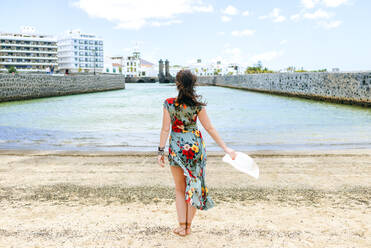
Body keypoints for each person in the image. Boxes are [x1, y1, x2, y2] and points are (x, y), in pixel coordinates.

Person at [158, 69, 237, 237]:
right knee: (193, 187)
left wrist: (160, 151)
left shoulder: (168, 103)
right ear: (193, 84)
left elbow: (165, 129)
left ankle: (181, 226)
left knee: (180, 189)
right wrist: (226, 148)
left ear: (177, 84)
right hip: (195, 149)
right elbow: (209, 128)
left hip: (177, 148)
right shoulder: (197, 106)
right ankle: (188, 227)